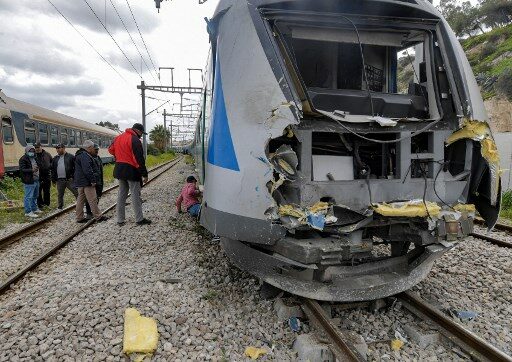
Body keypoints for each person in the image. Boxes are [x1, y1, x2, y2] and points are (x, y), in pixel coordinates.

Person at [108, 123, 151, 226]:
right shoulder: (135, 140)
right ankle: (139, 219)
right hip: (131, 170)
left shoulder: (118, 138)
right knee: (135, 195)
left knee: (121, 195)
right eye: (141, 133)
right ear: (138, 131)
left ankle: (120, 220)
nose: (141, 135)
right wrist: (144, 174)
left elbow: (110, 149)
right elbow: (139, 159)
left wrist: (119, 156)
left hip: (119, 169)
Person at [74, 140, 107, 223]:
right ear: (89, 148)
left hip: (80, 181)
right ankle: (98, 216)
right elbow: (87, 170)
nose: (93, 149)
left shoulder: (79, 154)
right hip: (87, 182)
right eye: (92, 148)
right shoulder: (85, 155)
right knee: (92, 199)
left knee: (80, 199)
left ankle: (79, 217)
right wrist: (92, 180)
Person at [51, 143, 78, 210]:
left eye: (59, 148)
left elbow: (76, 168)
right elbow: (53, 170)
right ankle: (60, 207)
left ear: (63, 148)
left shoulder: (71, 157)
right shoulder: (55, 158)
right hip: (60, 180)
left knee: (76, 193)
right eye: (56, 148)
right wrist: (53, 180)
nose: (57, 150)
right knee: (60, 194)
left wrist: (74, 177)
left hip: (69, 179)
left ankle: (81, 205)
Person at [19, 144, 42, 218]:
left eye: (33, 150)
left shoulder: (35, 157)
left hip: (36, 180)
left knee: (35, 196)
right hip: (29, 180)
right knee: (28, 196)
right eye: (30, 151)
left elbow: (38, 165)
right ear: (26, 151)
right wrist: (32, 170)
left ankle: (34, 209)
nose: (32, 152)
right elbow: (22, 169)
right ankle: (28, 212)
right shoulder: (23, 159)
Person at [85, 143, 104, 219]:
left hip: (99, 181)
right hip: (93, 182)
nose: (97, 151)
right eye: (95, 150)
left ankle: (94, 211)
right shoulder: (89, 158)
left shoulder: (98, 158)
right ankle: (89, 213)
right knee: (91, 198)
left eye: (97, 149)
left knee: (97, 196)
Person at [34, 143, 52, 209]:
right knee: (38, 192)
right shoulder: (33, 155)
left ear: (41, 147)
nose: (37, 149)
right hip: (37, 176)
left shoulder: (47, 154)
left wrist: (49, 167)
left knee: (47, 191)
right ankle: (40, 205)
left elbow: (51, 162)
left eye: (38, 147)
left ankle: (47, 204)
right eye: (36, 147)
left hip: (46, 176)